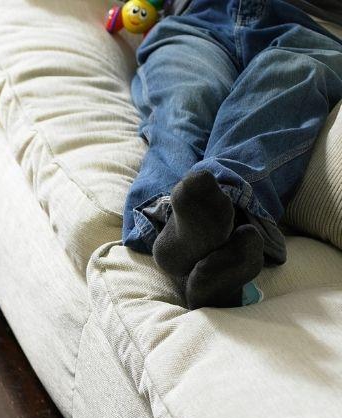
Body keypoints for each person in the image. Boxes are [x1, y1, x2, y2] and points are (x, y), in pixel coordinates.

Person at [121, 0, 342, 308]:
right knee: (185, 104)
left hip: (310, 25)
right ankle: (203, 235)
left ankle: (205, 230)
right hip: (199, 20)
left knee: (290, 79)